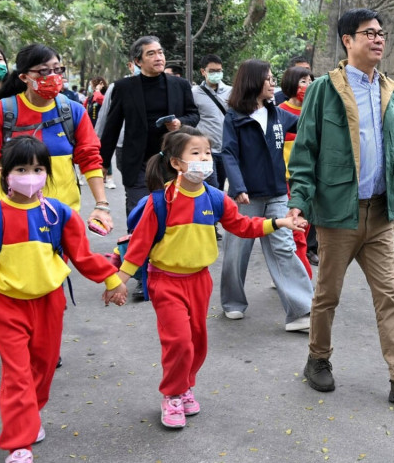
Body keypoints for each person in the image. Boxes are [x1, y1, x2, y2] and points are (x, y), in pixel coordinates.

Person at [287, 8, 394, 402]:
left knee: (389, 295)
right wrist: (298, 204)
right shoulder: (325, 89)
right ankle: (318, 359)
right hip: (339, 211)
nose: (378, 39)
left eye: (382, 33)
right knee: (327, 295)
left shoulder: (389, 90)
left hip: (378, 212)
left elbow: (389, 147)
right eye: (369, 33)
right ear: (348, 40)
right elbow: (306, 152)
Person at [115, 127, 304, 429]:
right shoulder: (160, 202)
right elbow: (138, 248)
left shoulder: (216, 199)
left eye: (206, 153)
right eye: (195, 153)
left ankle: (185, 386)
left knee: (197, 342)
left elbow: (243, 226)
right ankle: (172, 395)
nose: (204, 159)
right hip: (165, 280)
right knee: (178, 341)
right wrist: (119, 281)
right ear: (176, 163)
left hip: (200, 281)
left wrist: (278, 222)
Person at [0, 136, 127, 463]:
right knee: (16, 376)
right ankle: (19, 446)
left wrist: (112, 280)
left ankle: (31, 413)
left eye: (38, 168)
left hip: (49, 304)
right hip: (7, 306)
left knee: (41, 370)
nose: (31, 175)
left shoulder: (59, 214)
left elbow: (83, 256)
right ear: (4, 174)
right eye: (22, 169)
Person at [0, 43, 113, 233]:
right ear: (24, 77)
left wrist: (101, 205)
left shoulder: (74, 111)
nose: (53, 76)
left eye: (57, 69)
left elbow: (90, 158)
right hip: (7, 217)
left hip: (61, 215)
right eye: (43, 71)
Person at [220, 59, 313, 331]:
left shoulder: (278, 114)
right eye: (268, 78)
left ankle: (301, 311)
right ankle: (233, 303)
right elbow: (229, 154)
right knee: (237, 250)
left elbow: (309, 125)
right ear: (253, 81)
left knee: (284, 247)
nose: (273, 83)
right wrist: (237, 187)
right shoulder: (234, 117)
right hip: (245, 196)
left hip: (276, 194)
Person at [99, 35, 199, 218]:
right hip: (138, 162)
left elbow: (194, 115)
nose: (158, 57)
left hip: (172, 160)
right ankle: (139, 246)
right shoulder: (124, 87)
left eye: (160, 52)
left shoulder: (180, 85)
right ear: (138, 61)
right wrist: (103, 163)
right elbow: (112, 127)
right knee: (140, 213)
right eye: (151, 54)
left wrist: (180, 123)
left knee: (172, 214)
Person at [278, 65, 314, 277]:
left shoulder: (314, 111)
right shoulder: (280, 112)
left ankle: (288, 272)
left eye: (310, 81)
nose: (307, 86)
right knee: (296, 230)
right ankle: (303, 278)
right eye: (303, 81)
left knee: (305, 227)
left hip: (309, 179)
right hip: (287, 180)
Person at [191, 54, 231, 192]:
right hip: (207, 151)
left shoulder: (230, 92)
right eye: (212, 71)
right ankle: (209, 212)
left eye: (219, 71)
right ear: (203, 72)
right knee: (211, 186)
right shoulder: (195, 93)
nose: (216, 74)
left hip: (226, 149)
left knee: (220, 187)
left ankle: (217, 212)